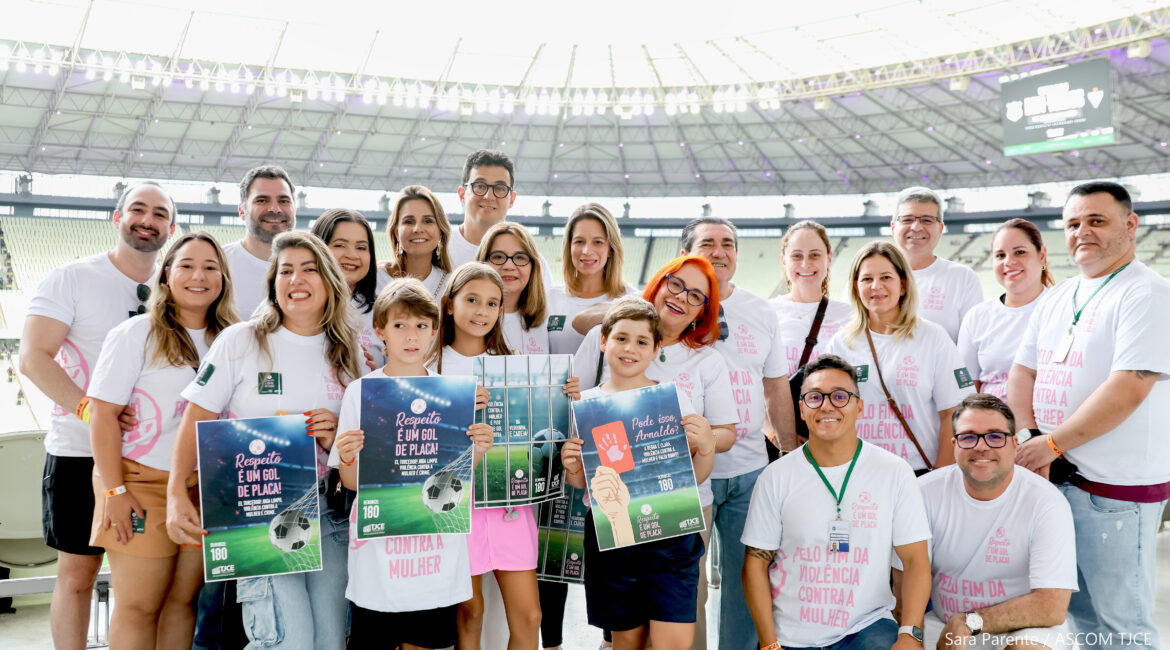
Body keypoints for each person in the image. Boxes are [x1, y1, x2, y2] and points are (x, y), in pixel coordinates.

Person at [166, 231, 362, 650]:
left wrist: (334, 436)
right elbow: (197, 418)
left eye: (308, 269)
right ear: (273, 283)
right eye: (285, 271)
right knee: (287, 639)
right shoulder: (241, 341)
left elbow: (356, 443)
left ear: (328, 280)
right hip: (261, 510)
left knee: (331, 641)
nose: (296, 279)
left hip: (331, 512)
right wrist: (176, 492)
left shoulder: (348, 352)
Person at [1008, 181, 1170, 650]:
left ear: (1130, 225)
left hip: (1114, 492)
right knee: (1082, 621)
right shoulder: (1060, 296)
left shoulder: (1147, 294)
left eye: (1096, 221)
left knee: (1123, 627)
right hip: (1057, 480)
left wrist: (1051, 443)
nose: (1083, 232)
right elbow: (1021, 371)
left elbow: (1128, 389)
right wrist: (1027, 435)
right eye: (1073, 224)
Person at [20, 180, 176, 650]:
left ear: (171, 226)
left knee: (149, 589)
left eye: (160, 214)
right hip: (78, 452)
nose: (147, 221)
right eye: (138, 210)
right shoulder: (73, 277)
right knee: (77, 575)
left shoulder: (179, 282)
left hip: (152, 464)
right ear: (117, 217)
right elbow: (33, 358)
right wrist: (92, 411)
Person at [575, 255, 739, 646]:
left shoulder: (689, 380)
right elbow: (583, 468)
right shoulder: (592, 395)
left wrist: (706, 443)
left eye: (696, 294)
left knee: (674, 634)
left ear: (654, 350)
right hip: (614, 526)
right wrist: (573, 463)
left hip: (674, 520)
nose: (683, 296)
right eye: (677, 284)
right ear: (605, 340)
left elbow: (705, 459)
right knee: (623, 639)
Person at [87, 232, 238, 648]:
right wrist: (114, 489)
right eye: (187, 265)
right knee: (139, 607)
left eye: (211, 267)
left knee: (181, 603)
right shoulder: (136, 333)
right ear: (167, 274)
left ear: (223, 278)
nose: (199, 276)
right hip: (141, 484)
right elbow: (101, 415)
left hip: (204, 490)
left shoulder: (235, 339)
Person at [329, 278, 494, 650]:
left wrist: (478, 451)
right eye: (400, 325)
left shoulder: (450, 394)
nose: (411, 335)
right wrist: (348, 456)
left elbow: (457, 476)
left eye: (421, 326)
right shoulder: (362, 392)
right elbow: (351, 483)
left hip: (434, 553)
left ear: (435, 332)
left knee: (424, 642)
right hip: (380, 555)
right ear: (380, 330)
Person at [426, 262, 579, 649]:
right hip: (458, 507)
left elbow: (546, 433)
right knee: (471, 613)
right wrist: (453, 409)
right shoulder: (428, 369)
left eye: (492, 303)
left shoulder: (516, 368)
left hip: (511, 501)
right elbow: (420, 445)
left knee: (530, 616)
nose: (481, 311)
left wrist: (566, 398)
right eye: (472, 300)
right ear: (449, 305)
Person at [741, 354, 932, 650]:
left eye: (840, 396)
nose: (827, 405)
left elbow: (916, 561)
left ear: (859, 407)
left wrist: (910, 633)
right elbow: (755, 563)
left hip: (866, 628)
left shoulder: (894, 472)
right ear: (802, 409)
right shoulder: (775, 477)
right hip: (792, 636)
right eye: (815, 397)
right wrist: (768, 644)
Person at [679, 216, 796, 650]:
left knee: (748, 583)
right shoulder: (670, 307)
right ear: (687, 252)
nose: (719, 251)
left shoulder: (761, 311)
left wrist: (788, 455)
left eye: (728, 243)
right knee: (687, 585)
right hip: (689, 474)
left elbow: (776, 387)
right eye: (707, 242)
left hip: (750, 470)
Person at [912, 394, 1075, 649]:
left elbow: (1052, 605)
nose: (981, 446)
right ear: (953, 444)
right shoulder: (923, 492)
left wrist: (970, 622)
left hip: (1025, 626)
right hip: (943, 623)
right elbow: (904, 581)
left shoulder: (1046, 502)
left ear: (1014, 444)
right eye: (968, 437)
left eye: (995, 436)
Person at [826, 242, 973, 472]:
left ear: (903, 285)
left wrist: (941, 477)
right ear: (855, 287)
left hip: (918, 472)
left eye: (886, 277)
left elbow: (953, 412)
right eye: (866, 279)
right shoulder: (841, 343)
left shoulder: (932, 337)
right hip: (859, 473)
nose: (876, 286)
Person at [956, 219, 1053, 398]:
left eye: (1020, 252)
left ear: (1042, 255)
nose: (1009, 262)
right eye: (1000, 255)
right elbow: (966, 385)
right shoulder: (977, 316)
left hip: (1050, 423)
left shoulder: (1062, 308)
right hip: (992, 423)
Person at [889, 186, 982, 342]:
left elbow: (973, 344)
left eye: (927, 220)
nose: (916, 227)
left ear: (940, 228)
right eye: (907, 219)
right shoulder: (868, 279)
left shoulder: (963, 278)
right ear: (893, 227)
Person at [450, 149, 553, 288]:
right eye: (480, 186)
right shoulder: (438, 251)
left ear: (511, 199)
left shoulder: (531, 262)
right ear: (462, 194)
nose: (489, 196)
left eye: (499, 188)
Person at [547, 203, 638, 355]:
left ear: (610, 249)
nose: (587, 251)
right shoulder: (549, 299)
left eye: (597, 242)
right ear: (569, 247)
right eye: (579, 241)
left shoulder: (632, 299)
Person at [769, 220, 852, 379]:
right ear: (784, 261)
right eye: (797, 256)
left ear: (829, 259)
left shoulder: (850, 315)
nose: (805, 264)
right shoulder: (767, 312)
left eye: (814, 255)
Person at [312, 208, 385, 367]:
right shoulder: (298, 304)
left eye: (361, 247)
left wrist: (381, 375)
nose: (352, 255)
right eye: (340, 245)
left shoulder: (384, 309)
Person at [224, 165, 297, 316]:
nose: (275, 209)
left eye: (284, 201)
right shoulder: (218, 262)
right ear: (242, 211)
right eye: (262, 200)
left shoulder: (316, 268)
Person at [477, 222, 550, 354]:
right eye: (498, 257)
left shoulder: (548, 318)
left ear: (532, 267)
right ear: (482, 263)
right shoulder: (469, 318)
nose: (509, 266)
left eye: (520, 257)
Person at [379, 185, 454, 296]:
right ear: (396, 233)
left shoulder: (452, 286)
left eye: (428, 221)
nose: (418, 229)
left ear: (440, 232)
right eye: (409, 221)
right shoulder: (376, 279)